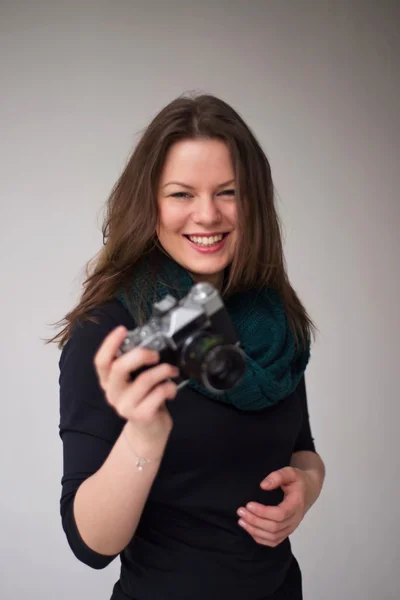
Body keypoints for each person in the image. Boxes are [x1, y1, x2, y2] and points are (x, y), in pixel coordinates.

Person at [51, 93, 325, 600]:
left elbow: (302, 449)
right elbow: (91, 544)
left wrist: (306, 489)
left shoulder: (270, 321)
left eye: (228, 192)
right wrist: (145, 434)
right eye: (181, 194)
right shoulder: (113, 331)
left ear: (254, 203)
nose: (207, 215)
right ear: (149, 202)